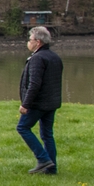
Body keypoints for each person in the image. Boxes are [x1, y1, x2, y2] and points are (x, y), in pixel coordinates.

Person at [17, 26, 63, 175]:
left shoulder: (38, 58)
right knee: (47, 134)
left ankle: (43, 159)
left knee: (23, 127)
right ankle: (51, 168)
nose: (28, 42)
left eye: (30, 40)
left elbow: (34, 84)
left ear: (38, 41)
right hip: (51, 103)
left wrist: (26, 104)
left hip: (39, 103)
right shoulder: (54, 56)